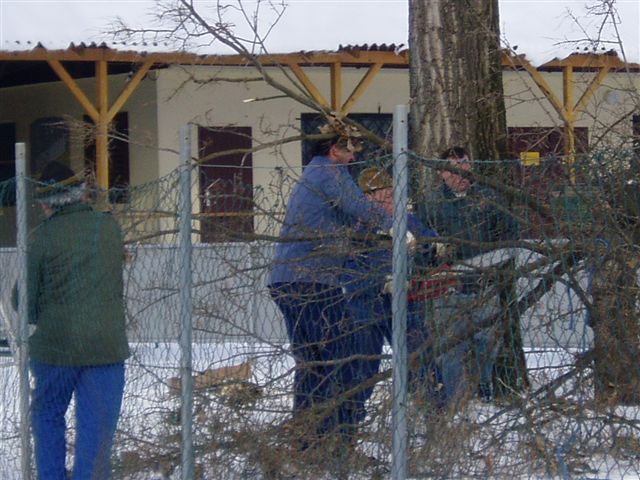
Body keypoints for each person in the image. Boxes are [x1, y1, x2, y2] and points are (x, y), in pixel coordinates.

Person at [267, 125, 394, 447]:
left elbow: (348, 221)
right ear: (334, 149)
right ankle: (336, 438)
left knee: (312, 362)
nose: (353, 158)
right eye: (349, 151)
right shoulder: (330, 172)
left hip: (287, 280)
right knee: (344, 353)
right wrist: (398, 227)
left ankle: (307, 438)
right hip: (312, 281)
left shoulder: (313, 174)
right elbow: (361, 208)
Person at [14, 161, 130, 479]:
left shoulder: (43, 237)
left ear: (46, 203)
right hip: (106, 347)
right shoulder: (109, 228)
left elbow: (23, 301)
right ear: (82, 194)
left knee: (48, 414)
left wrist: (47, 314)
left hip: (56, 349)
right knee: (97, 430)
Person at [341, 167, 446, 425]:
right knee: (363, 365)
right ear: (367, 198)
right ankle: (349, 421)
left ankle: (435, 413)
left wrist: (435, 245)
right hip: (365, 305)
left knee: (420, 356)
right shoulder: (356, 227)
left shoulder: (405, 220)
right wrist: (379, 281)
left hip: (404, 303)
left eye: (393, 195)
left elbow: (426, 241)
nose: (392, 201)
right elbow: (347, 270)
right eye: (385, 196)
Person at [419, 146, 519, 406]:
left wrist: (494, 264)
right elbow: (419, 248)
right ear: (441, 172)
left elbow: (510, 236)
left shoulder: (489, 199)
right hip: (446, 292)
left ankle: (484, 394)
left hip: (484, 287)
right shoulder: (431, 204)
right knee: (450, 349)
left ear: (471, 165)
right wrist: (435, 258)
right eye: (452, 167)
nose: (459, 171)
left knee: (488, 344)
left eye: (464, 163)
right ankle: (453, 402)